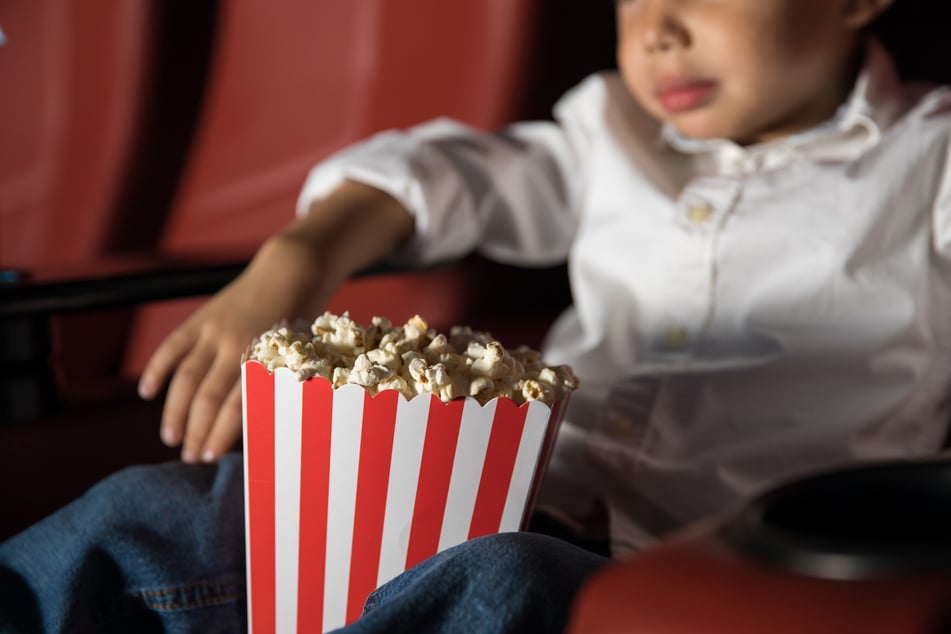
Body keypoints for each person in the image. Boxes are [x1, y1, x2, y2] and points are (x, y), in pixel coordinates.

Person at [3, 0, 948, 631]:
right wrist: (300, 256)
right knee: (162, 508)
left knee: (498, 582)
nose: (655, 31)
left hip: (692, 564)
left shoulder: (930, 160)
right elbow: (453, 176)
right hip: (484, 496)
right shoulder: (606, 130)